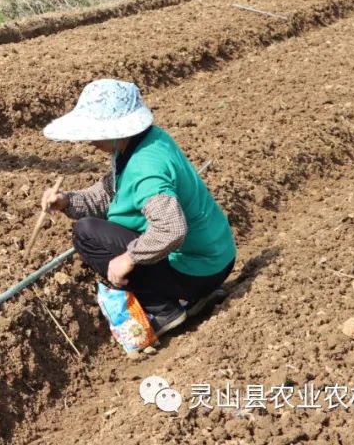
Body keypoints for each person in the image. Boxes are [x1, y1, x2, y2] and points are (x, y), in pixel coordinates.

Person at [41, 79, 236, 337]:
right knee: (104, 227)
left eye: (95, 132)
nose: (89, 141)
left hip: (197, 268)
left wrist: (128, 258)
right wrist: (66, 201)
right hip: (216, 257)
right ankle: (194, 294)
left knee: (86, 234)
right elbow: (110, 190)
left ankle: (163, 309)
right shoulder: (146, 141)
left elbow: (171, 229)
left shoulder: (146, 168)